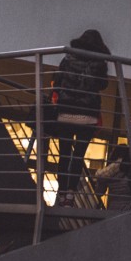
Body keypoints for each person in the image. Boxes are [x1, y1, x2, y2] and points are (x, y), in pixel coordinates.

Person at [50, 29, 110, 205]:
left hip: (66, 113)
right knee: (78, 156)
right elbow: (103, 85)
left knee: (64, 154)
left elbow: (58, 80)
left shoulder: (68, 58)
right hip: (87, 115)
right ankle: (70, 193)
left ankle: (61, 192)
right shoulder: (99, 62)